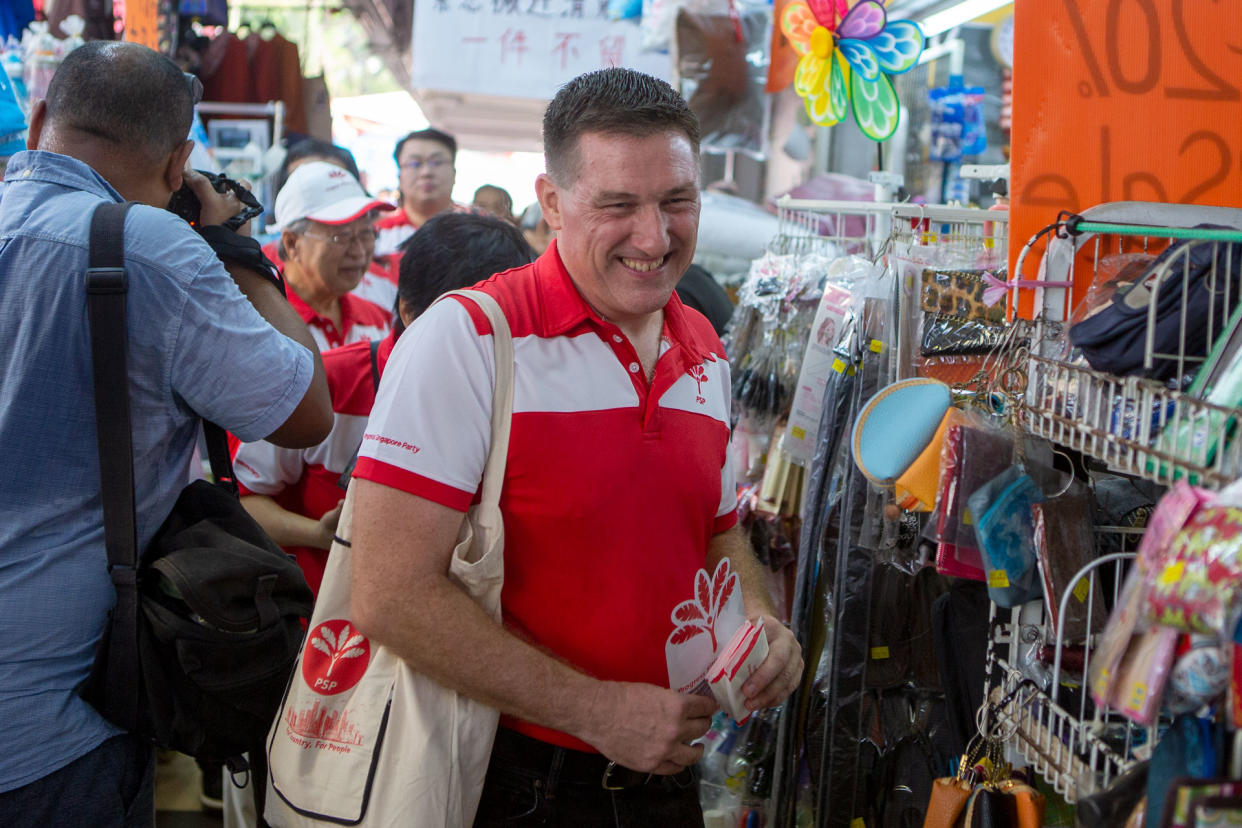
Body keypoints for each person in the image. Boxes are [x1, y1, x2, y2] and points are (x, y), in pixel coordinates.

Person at [348, 68, 803, 826]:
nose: (655, 238)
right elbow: (389, 594)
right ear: (553, 202)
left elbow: (717, 528)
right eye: (618, 206)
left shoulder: (705, 350)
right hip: (513, 779)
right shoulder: (466, 340)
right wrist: (594, 710)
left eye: (676, 202)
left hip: (668, 776)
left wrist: (757, 620)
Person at [0, 42, 332, 827]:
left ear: (40, 117)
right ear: (181, 160)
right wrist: (235, 250)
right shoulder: (153, 251)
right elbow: (307, 409)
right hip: (55, 718)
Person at [233, 212, 535, 597]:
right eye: (465, 326)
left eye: (502, 328)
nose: (483, 347)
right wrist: (320, 534)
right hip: (325, 623)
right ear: (408, 311)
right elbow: (241, 502)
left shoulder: (526, 389)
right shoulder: (327, 384)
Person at [272, 160, 395, 350]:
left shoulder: (374, 319)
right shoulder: (266, 325)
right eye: (341, 237)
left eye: (366, 233)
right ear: (292, 244)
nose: (359, 252)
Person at [373, 127, 473, 258]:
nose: (426, 172)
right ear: (400, 177)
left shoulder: (476, 234)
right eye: (414, 163)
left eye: (437, 162)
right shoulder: (376, 237)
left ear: (454, 173)